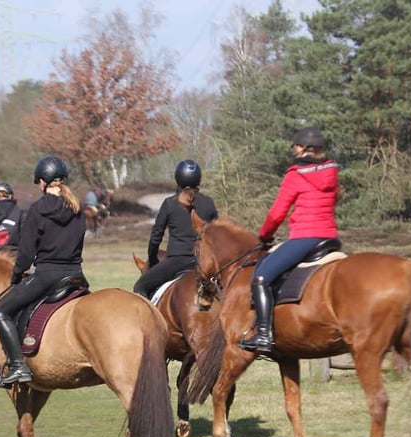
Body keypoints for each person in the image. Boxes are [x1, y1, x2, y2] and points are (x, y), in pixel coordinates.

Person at [238, 127, 340, 353]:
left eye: (295, 146)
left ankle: (263, 335)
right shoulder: (332, 171)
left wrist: (265, 235)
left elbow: (277, 214)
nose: (294, 150)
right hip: (330, 237)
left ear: (303, 148)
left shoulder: (295, 175)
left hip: (305, 238)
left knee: (261, 278)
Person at [0, 156, 87, 388]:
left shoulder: (37, 209)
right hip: (76, 276)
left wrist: (17, 276)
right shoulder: (77, 208)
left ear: (43, 181)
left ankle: (18, 365)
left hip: (47, 276)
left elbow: (26, 253)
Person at [133, 160, 218, 299]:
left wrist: (153, 260)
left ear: (178, 177)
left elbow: (156, 236)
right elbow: (216, 235)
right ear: (198, 178)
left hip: (176, 262)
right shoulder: (209, 203)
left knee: (140, 287)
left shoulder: (169, 203)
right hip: (202, 263)